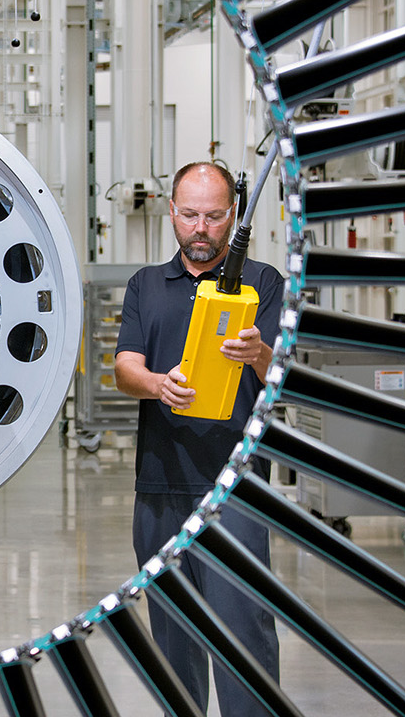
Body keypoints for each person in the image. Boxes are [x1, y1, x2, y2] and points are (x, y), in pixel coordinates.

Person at [113, 161, 283, 716]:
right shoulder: (145, 285)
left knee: (242, 634)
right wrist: (160, 385)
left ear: (232, 218)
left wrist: (257, 352)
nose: (201, 228)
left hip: (235, 487)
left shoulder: (262, 284)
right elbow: (123, 370)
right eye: (190, 215)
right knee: (173, 635)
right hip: (161, 485)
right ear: (172, 214)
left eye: (214, 216)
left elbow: (283, 375)